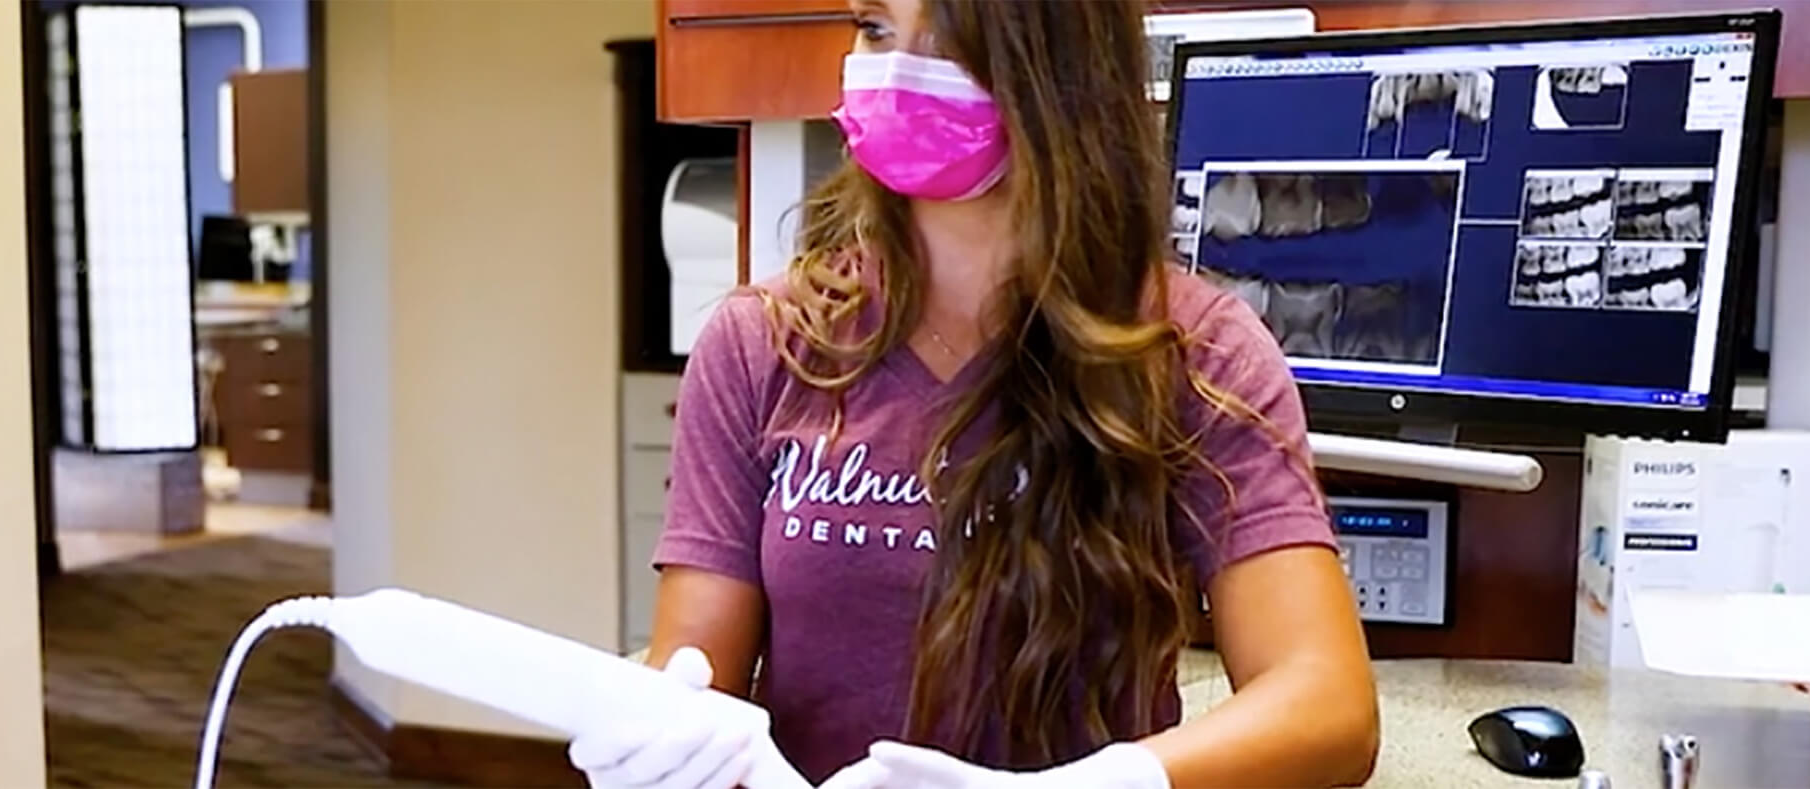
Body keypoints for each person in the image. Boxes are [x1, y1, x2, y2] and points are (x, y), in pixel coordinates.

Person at [563, 1, 1381, 787]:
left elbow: (1330, 708)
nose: (894, 72)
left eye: (951, 39)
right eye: (877, 28)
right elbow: (694, 676)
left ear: (1059, 67)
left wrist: (1108, 783)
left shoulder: (1199, 353)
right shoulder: (762, 343)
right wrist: (659, 743)